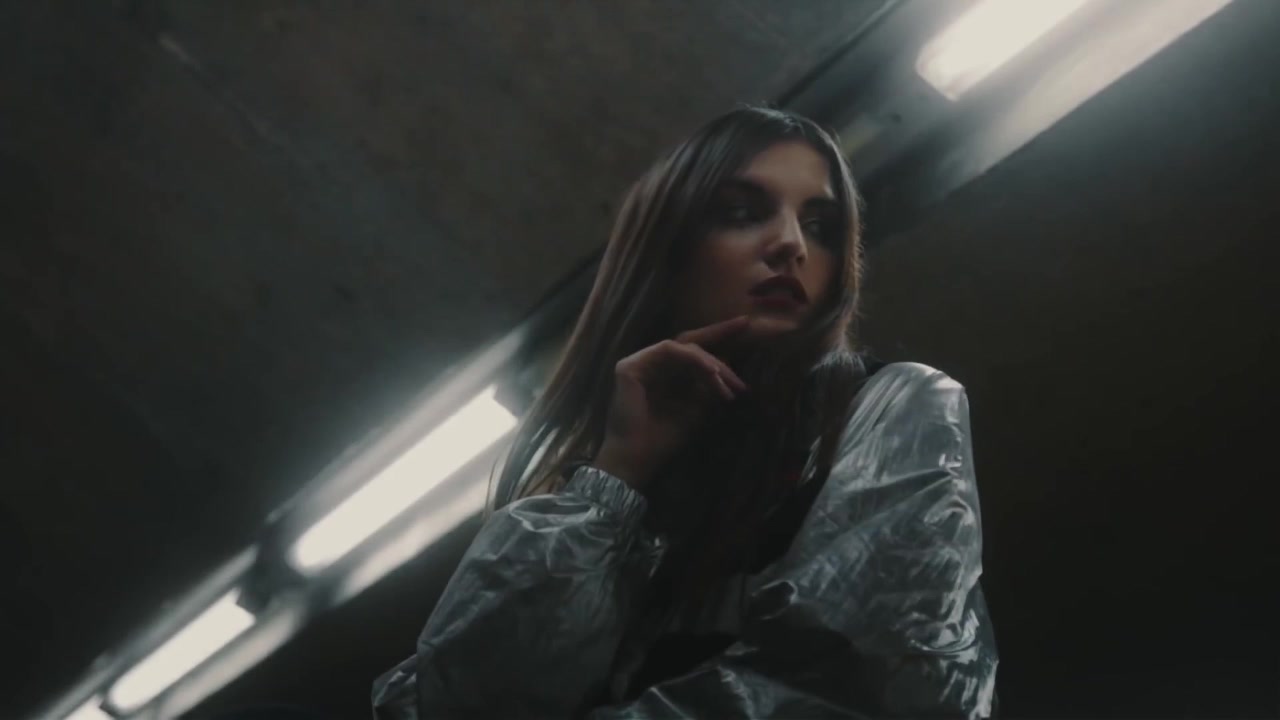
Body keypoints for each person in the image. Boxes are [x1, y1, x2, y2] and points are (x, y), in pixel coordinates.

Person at [371, 106, 998, 718]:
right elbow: (461, 701)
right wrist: (617, 476)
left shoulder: (893, 406)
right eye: (741, 213)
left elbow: (868, 683)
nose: (790, 244)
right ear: (667, 252)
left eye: (820, 227)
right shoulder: (595, 494)